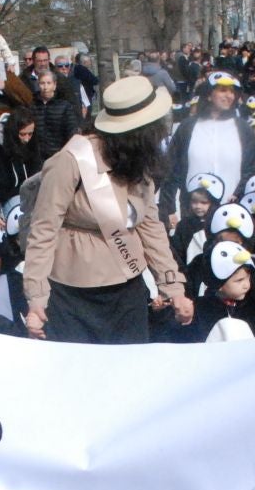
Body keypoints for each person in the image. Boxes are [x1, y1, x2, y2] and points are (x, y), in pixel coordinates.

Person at [21, 76, 192, 344]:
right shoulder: (71, 161)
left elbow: (150, 225)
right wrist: (37, 298)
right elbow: (43, 231)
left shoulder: (139, 159)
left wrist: (173, 287)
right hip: (73, 294)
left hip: (127, 289)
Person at [162, 71, 255, 223]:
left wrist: (239, 195)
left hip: (230, 216)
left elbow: (252, 168)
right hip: (191, 214)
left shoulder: (243, 129)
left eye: (232, 92)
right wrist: (169, 208)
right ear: (208, 94)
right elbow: (172, 170)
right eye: (222, 90)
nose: (229, 96)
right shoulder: (188, 127)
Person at [29, 67, 82, 164]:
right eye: (42, 83)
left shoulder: (64, 106)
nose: (45, 87)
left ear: (54, 85)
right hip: (36, 158)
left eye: (49, 83)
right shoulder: (32, 106)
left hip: (58, 156)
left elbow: (71, 133)